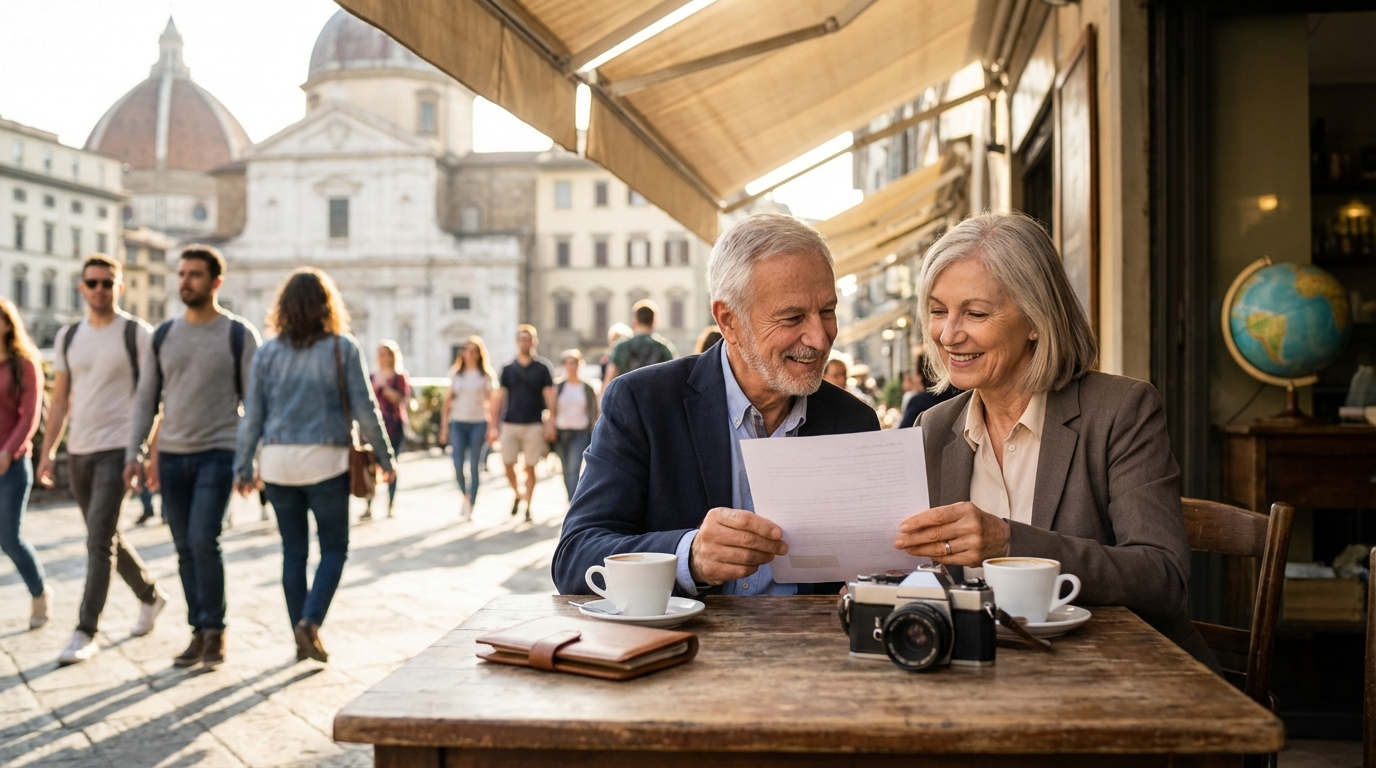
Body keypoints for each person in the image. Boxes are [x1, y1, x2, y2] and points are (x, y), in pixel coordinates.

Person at [896, 211, 1214, 668]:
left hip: (1116, 676)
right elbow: (922, 575)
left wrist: (1008, 542)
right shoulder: (932, 428)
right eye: (938, 311)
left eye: (976, 313)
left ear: (1035, 319)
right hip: (974, 672)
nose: (948, 335)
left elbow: (1163, 578)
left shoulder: (1122, 410)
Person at [552, 213, 880, 596]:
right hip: (681, 652)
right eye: (792, 317)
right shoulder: (643, 404)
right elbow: (575, 557)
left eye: (827, 311)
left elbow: (874, 567)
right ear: (729, 321)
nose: (821, 338)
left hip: (812, 652)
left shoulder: (853, 421)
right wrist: (688, 556)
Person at [234, 268, 396, 664]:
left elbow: (252, 415)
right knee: (334, 549)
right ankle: (310, 622)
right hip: (327, 461)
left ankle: (299, 635)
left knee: (293, 552)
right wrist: (386, 456)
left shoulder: (267, 352)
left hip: (277, 465)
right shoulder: (342, 347)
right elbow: (365, 409)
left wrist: (242, 466)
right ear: (328, 306)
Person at [125, 245, 261, 670]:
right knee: (184, 547)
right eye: (182, 274)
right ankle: (198, 630)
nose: (185, 281)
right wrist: (136, 452)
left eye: (195, 275)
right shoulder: (164, 334)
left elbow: (254, 404)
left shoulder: (239, 334)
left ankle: (215, 630)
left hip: (218, 452)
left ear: (216, 282)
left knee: (204, 540)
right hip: (171, 455)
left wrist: (248, 459)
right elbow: (147, 398)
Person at [38, 255, 166, 666]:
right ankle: (150, 595)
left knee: (97, 540)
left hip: (119, 449)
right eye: (92, 283)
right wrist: (48, 452)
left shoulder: (136, 334)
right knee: (104, 535)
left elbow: (153, 399)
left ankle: (85, 630)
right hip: (80, 451)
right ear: (82, 288)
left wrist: (143, 451)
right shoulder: (68, 336)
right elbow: (59, 400)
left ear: (119, 288)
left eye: (107, 283)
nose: (99, 290)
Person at [0, 299, 47, 631]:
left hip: (12, 466)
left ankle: (40, 594)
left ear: (7, 324)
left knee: (10, 538)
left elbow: (29, 416)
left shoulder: (25, 364)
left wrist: (8, 452)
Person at [491, 325, 556, 523]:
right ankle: (518, 494)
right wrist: (493, 425)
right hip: (510, 423)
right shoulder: (508, 369)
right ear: (517, 342)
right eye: (521, 339)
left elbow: (550, 395)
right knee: (508, 464)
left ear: (533, 341)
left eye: (528, 339)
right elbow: (499, 396)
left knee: (530, 467)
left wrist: (550, 422)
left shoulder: (543, 368)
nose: (524, 343)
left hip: (534, 424)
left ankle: (528, 504)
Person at [441, 336, 495, 519]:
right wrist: (444, 427)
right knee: (457, 463)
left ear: (479, 355)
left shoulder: (485, 376)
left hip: (479, 422)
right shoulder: (456, 374)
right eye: (466, 350)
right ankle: (465, 496)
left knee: (474, 466)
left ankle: (471, 504)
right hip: (458, 422)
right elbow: (448, 402)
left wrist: (492, 427)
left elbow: (490, 402)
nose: (469, 354)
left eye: (473, 351)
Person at [366, 340, 410, 520]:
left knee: (391, 464)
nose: (383, 357)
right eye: (380, 353)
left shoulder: (399, 377)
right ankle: (369, 505)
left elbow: (400, 399)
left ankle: (390, 505)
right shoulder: (371, 377)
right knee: (371, 466)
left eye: (386, 353)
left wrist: (383, 387)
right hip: (374, 427)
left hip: (395, 426)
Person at [553, 350, 599, 502]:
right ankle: (570, 498)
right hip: (560, 432)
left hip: (580, 432)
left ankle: (573, 502)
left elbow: (594, 410)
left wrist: (593, 432)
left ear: (580, 364)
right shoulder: (558, 386)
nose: (571, 366)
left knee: (573, 468)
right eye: (568, 362)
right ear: (564, 365)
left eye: (574, 362)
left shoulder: (587, 387)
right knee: (565, 469)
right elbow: (551, 409)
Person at [603, 299, 675, 388]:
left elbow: (608, 381)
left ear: (635, 322)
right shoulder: (664, 348)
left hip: (626, 399)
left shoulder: (621, 347)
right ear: (654, 322)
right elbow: (673, 380)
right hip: (655, 399)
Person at [899, 358, 960, 428]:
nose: (913, 378)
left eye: (915, 372)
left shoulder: (918, 402)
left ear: (921, 376)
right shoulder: (964, 397)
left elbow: (902, 435)